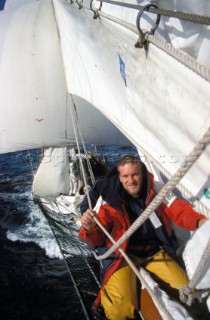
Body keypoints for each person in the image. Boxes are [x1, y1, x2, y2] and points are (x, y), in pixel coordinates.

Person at [79, 155, 208, 320]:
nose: (130, 180)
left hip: (153, 253)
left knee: (190, 292)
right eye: (125, 176)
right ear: (119, 177)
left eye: (135, 175)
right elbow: (96, 239)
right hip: (122, 255)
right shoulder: (109, 200)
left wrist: (201, 222)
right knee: (120, 311)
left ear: (143, 173)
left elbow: (178, 209)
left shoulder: (155, 191)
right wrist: (89, 227)